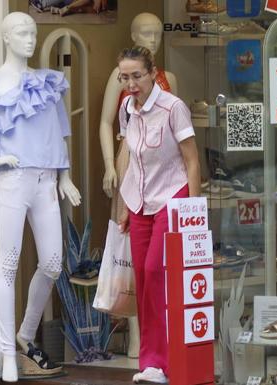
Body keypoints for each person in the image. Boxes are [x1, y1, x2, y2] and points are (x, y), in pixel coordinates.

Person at [0, 12, 81, 382]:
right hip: (12, 177)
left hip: (46, 179)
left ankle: (25, 333)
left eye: (33, 33)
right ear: (6, 37)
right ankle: (8, 351)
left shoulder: (48, 82)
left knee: (53, 262)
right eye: (22, 32)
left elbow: (61, 132)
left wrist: (64, 175)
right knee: (8, 264)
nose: (29, 39)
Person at [115, 46, 200, 384]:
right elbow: (129, 156)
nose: (131, 83)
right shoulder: (126, 107)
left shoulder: (172, 108)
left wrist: (194, 210)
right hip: (139, 200)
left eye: (137, 76)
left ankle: (166, 359)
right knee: (142, 276)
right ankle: (151, 363)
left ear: (152, 73)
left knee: (155, 271)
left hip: (172, 195)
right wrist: (125, 202)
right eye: (125, 77)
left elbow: (192, 161)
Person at [99, 12, 177, 359]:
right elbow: (104, 122)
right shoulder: (121, 79)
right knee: (131, 247)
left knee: (159, 256)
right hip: (128, 157)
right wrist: (107, 166)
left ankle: (161, 335)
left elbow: (180, 127)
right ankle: (136, 333)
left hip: (164, 166)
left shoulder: (169, 79)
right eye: (145, 33)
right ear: (131, 34)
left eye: (158, 34)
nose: (152, 39)